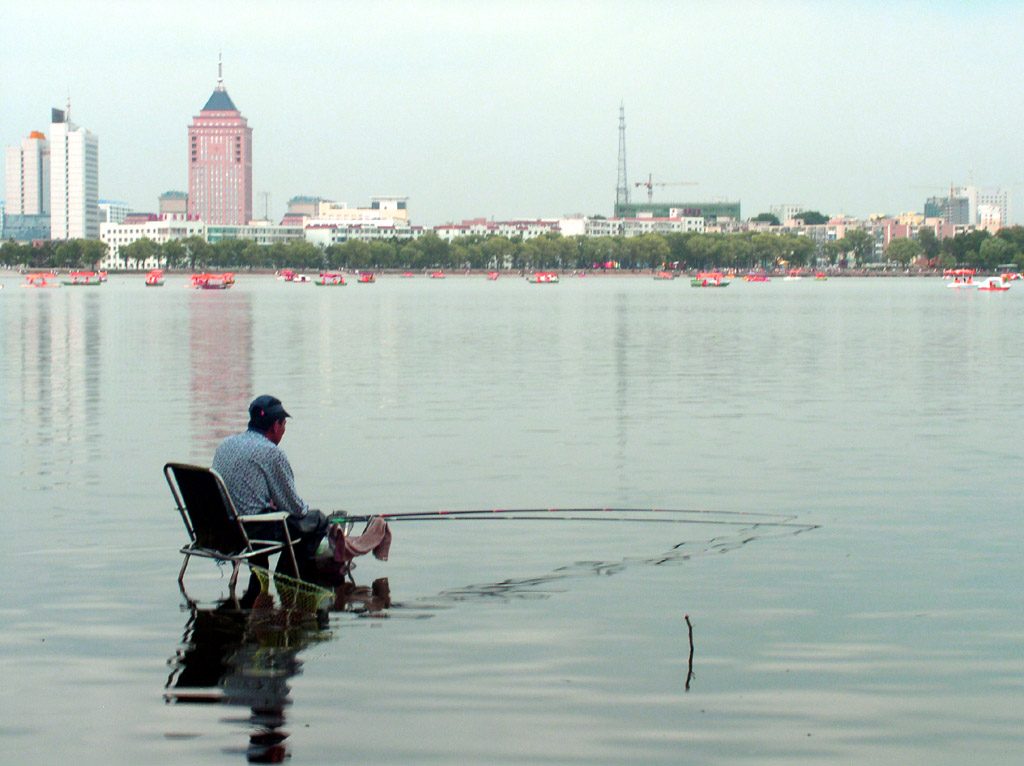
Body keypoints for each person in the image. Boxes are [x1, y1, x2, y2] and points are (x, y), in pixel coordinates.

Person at [212, 395, 329, 581]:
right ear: (275, 425)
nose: (283, 431)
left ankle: (258, 585)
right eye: (284, 425)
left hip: (220, 530)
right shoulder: (271, 453)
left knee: (264, 513)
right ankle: (288, 578)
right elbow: (296, 509)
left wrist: (268, 503)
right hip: (250, 532)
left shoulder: (225, 444)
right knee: (318, 521)